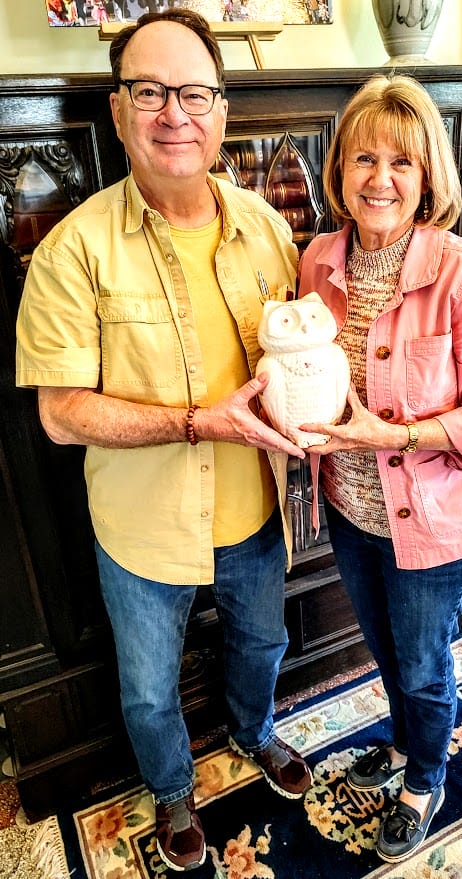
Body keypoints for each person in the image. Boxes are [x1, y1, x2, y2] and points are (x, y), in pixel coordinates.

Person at [16, 8, 312, 873]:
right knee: (147, 688)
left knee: (262, 645)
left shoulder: (267, 227)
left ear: (221, 110)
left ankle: (255, 733)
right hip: (141, 531)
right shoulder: (74, 250)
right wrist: (197, 421)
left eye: (192, 93)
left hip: (258, 513)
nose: (173, 113)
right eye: (149, 91)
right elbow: (61, 413)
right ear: (118, 110)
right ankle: (172, 787)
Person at [297, 74, 462, 864]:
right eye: (362, 158)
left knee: (424, 660)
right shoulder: (316, 262)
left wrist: (385, 434)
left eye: (401, 162)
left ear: (428, 175)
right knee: (387, 650)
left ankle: (424, 777)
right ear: (338, 172)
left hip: (438, 519)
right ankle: (403, 745)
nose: (379, 179)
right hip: (349, 508)